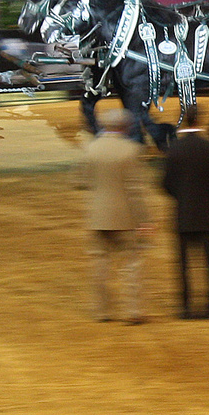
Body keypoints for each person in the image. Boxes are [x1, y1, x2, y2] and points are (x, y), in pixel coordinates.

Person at [83, 107, 154, 324]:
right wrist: (144, 220)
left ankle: (101, 312)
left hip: (98, 216)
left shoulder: (90, 149)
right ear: (125, 127)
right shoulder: (131, 150)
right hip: (124, 217)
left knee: (100, 265)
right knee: (130, 265)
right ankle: (132, 311)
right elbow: (134, 189)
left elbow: (79, 181)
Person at [162, 121, 209, 319]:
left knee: (183, 264)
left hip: (183, 212)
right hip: (206, 214)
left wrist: (180, 195)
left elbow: (165, 184)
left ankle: (186, 308)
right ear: (198, 122)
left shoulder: (175, 149)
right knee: (208, 262)